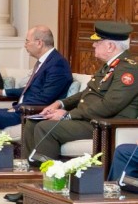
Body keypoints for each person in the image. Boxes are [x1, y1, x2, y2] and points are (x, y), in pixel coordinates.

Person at [23, 21, 138, 162]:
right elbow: (86, 93)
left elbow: (110, 105)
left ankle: (48, 173)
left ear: (110, 46)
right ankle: (30, 169)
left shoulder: (128, 69)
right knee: (32, 123)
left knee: (45, 127)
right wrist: (60, 103)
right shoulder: (110, 66)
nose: (93, 45)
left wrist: (68, 115)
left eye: (98, 42)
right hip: (90, 119)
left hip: (104, 124)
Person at [0, 26, 73, 138]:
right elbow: (31, 89)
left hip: (31, 112)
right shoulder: (46, 61)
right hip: (22, 109)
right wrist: (2, 92)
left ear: (39, 43)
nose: (25, 45)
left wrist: (18, 108)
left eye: (27, 41)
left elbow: (45, 98)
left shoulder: (57, 64)